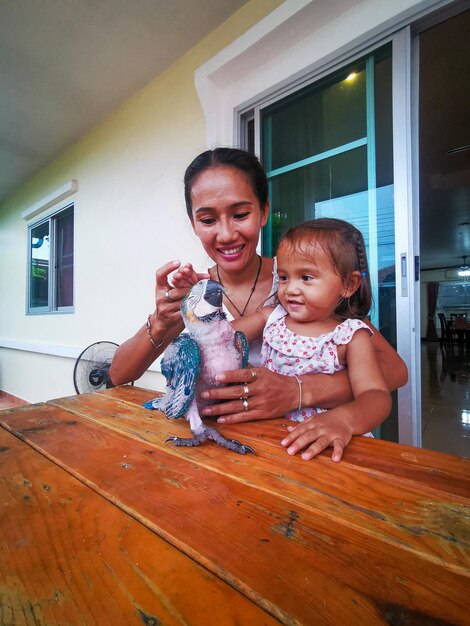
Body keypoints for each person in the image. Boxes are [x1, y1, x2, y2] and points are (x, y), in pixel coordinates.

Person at [109, 148, 407, 436]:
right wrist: (164, 320)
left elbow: (394, 370)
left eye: (240, 214)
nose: (226, 234)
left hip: (296, 439)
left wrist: (299, 391)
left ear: (264, 211)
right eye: (208, 220)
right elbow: (119, 376)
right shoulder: (196, 295)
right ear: (194, 224)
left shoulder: (302, 281)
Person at [230, 218, 391, 461]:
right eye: (284, 278)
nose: (291, 289)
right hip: (268, 439)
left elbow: (376, 395)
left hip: (326, 446)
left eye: (306, 277)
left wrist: (344, 419)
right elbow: (222, 337)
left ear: (349, 284)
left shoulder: (350, 336)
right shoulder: (271, 316)